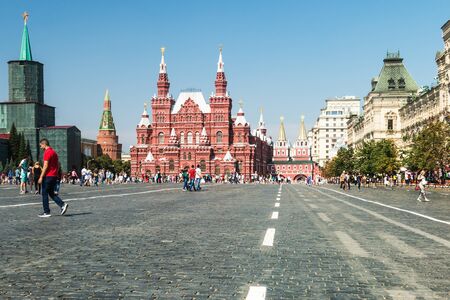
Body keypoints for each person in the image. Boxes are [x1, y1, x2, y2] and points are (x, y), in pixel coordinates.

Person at [37, 138, 69, 217]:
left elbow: (45, 165)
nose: (40, 147)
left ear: (44, 144)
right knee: (51, 193)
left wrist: (41, 177)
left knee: (44, 193)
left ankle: (46, 212)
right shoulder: (54, 152)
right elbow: (58, 165)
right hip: (54, 175)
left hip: (48, 176)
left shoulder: (47, 152)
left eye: (41, 145)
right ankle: (62, 205)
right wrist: (56, 173)